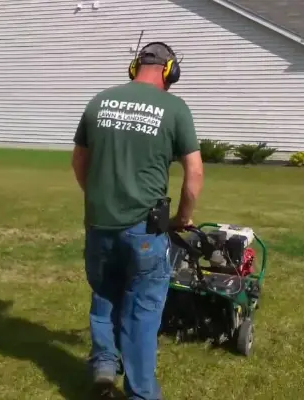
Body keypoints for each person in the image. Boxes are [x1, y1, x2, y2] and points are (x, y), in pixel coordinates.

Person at [71, 41, 204, 399]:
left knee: (105, 296)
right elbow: (194, 173)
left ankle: (103, 370)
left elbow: (79, 162)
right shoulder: (175, 108)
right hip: (145, 231)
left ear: (135, 67)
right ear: (169, 71)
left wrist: (99, 198)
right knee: (142, 314)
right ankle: (141, 393)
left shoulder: (99, 101)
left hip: (99, 223)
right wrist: (183, 217)